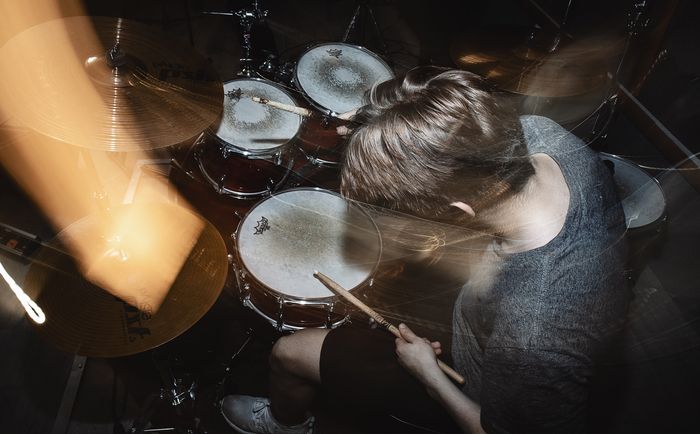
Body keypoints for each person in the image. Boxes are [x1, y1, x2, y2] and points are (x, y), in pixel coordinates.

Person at [220, 66, 629, 433]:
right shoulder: (542, 134)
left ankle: (286, 424)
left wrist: (429, 375)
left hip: (476, 385)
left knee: (289, 353)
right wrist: (378, 128)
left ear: (458, 211)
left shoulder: (534, 333)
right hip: (478, 308)